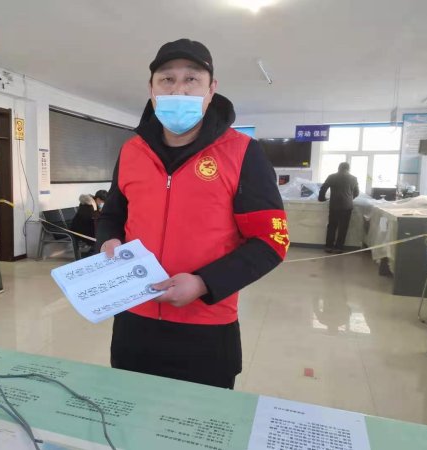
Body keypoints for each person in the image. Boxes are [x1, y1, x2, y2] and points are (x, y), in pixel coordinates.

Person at [95, 38, 289, 389]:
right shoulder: (132, 151)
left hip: (207, 327)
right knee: (130, 409)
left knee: (200, 419)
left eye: (192, 79)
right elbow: (112, 215)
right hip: (133, 318)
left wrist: (202, 283)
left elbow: (271, 241)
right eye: (167, 79)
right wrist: (108, 240)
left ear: (211, 89)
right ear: (151, 89)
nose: (178, 89)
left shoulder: (243, 153)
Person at [318, 162, 359, 253]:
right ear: (348, 169)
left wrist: (321, 198)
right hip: (347, 207)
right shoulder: (353, 178)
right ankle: (339, 248)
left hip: (334, 205)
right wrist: (349, 198)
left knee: (332, 226)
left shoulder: (332, 176)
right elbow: (356, 193)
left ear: (338, 168)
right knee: (343, 228)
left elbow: (323, 188)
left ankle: (329, 247)